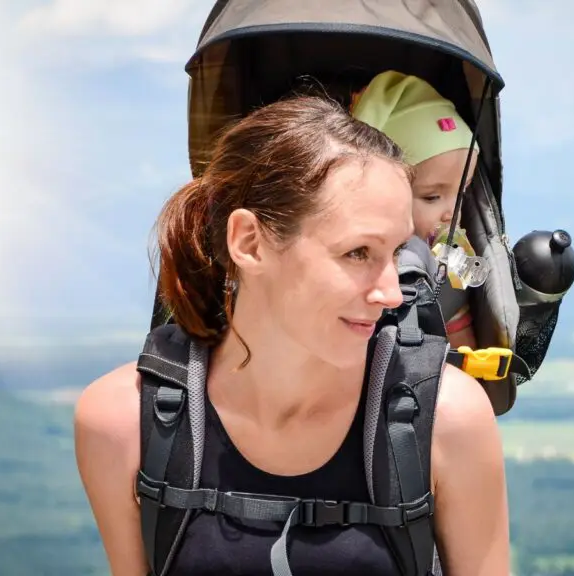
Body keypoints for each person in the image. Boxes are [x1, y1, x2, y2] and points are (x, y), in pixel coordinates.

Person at [73, 95, 510, 575]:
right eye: (358, 253)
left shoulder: (448, 421)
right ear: (249, 242)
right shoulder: (120, 425)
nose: (391, 293)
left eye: (397, 252)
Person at [350, 70, 481, 351]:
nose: (452, 213)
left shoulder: (449, 258)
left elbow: (461, 327)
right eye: (432, 196)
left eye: (461, 194)